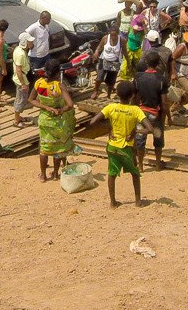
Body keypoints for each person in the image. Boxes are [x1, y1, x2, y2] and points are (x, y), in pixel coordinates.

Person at [86, 80, 151, 208]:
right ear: (132, 95)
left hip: (112, 147)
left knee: (112, 174)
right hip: (127, 148)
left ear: (118, 95)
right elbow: (150, 129)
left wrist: (109, 128)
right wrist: (136, 131)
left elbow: (92, 122)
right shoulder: (136, 110)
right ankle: (138, 201)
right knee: (135, 173)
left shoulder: (111, 107)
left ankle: (113, 202)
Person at [35, 63, 76, 182]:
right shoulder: (59, 86)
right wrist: (61, 110)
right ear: (58, 73)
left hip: (44, 119)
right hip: (58, 121)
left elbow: (31, 99)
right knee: (58, 148)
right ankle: (55, 174)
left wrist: (45, 107)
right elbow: (70, 104)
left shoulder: (39, 83)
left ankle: (43, 175)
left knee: (44, 148)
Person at [133, 52, 170, 170]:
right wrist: (168, 116)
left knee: (140, 137)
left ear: (146, 62)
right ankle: (158, 163)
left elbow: (135, 97)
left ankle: (140, 165)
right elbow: (164, 102)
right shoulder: (162, 79)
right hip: (156, 113)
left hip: (141, 113)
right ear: (158, 63)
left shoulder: (138, 77)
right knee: (158, 137)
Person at [92, 26, 122, 99]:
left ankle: (108, 95)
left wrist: (127, 62)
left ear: (118, 34)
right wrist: (96, 52)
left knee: (111, 80)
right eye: (112, 35)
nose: (113, 37)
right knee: (99, 77)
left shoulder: (121, 40)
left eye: (115, 35)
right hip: (104, 59)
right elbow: (99, 47)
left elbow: (124, 50)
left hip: (115, 61)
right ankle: (96, 91)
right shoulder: (105, 38)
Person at [11, 33, 33, 128]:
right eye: (30, 41)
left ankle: (18, 116)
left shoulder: (19, 50)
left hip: (22, 78)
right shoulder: (20, 54)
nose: (32, 43)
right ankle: (16, 121)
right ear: (25, 42)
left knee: (21, 99)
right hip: (21, 80)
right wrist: (23, 84)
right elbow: (18, 70)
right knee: (20, 100)